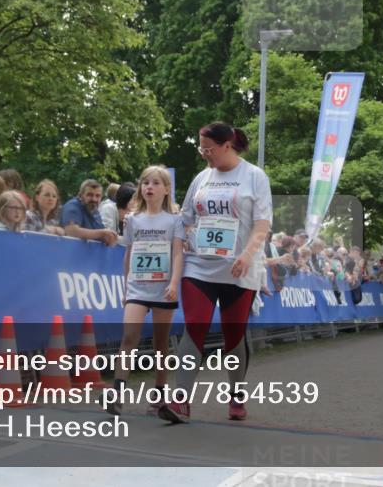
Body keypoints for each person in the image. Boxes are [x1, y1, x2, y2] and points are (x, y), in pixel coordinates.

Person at [159, 122, 271, 424]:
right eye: (201, 149)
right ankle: (179, 401)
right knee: (194, 324)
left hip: (239, 269)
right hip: (200, 266)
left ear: (227, 145)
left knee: (233, 334)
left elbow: (262, 224)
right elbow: (185, 218)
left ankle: (236, 394)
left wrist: (248, 255)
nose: (205, 155)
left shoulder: (254, 177)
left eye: (208, 149)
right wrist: (186, 236)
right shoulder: (201, 178)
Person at [103, 166, 183, 416]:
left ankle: (159, 394)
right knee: (129, 338)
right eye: (145, 182)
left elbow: (178, 252)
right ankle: (116, 395)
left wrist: (173, 284)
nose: (149, 187)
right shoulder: (133, 219)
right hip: (137, 288)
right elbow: (128, 252)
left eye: (156, 183)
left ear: (166, 189)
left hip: (163, 289)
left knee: (161, 343)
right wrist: (126, 286)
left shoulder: (174, 220)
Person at [61, 179, 118, 245]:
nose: (94, 199)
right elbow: (71, 232)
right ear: (80, 195)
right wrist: (102, 233)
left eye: (97, 196)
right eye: (90, 195)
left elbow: (100, 234)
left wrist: (109, 237)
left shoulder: (95, 211)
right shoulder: (72, 206)